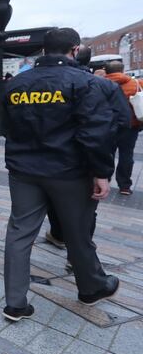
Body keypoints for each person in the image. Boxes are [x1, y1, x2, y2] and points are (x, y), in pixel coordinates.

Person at [3, 27, 119, 322]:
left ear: (44, 50)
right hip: (68, 171)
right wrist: (101, 172)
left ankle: (15, 303)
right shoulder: (83, 82)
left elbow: (4, 126)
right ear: (75, 49)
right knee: (78, 232)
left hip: (24, 170)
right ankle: (91, 288)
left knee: (19, 233)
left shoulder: (17, 83)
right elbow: (95, 132)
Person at [46, 46, 130, 249]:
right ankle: (77, 254)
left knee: (55, 199)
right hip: (90, 159)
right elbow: (123, 121)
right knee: (86, 209)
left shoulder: (52, 82)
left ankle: (59, 235)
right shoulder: (103, 85)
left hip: (55, 157)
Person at [105, 60, 142, 195]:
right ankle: (124, 185)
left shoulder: (99, 84)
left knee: (107, 153)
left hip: (107, 126)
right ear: (122, 70)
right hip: (130, 126)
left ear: (106, 71)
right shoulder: (136, 83)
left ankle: (105, 179)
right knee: (127, 155)